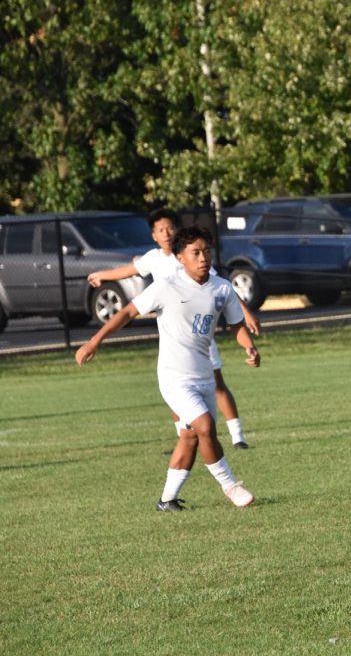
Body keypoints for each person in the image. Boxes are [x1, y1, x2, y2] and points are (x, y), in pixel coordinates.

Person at [76, 227, 259, 511]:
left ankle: (167, 500)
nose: (203, 258)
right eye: (195, 253)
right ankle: (231, 486)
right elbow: (127, 313)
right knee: (205, 426)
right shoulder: (166, 286)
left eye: (206, 251)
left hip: (204, 376)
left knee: (190, 437)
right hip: (174, 378)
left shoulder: (222, 287)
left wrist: (248, 346)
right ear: (180, 257)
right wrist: (94, 342)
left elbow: (236, 326)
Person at [88, 207, 257, 448]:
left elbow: (223, 291)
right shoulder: (155, 261)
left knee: (216, 384)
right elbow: (128, 275)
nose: (166, 233)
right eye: (160, 229)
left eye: (170, 227)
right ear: (154, 235)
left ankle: (237, 436)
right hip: (175, 337)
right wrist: (103, 275)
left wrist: (246, 318)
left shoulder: (197, 258)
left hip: (201, 335)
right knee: (178, 393)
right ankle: (185, 439)